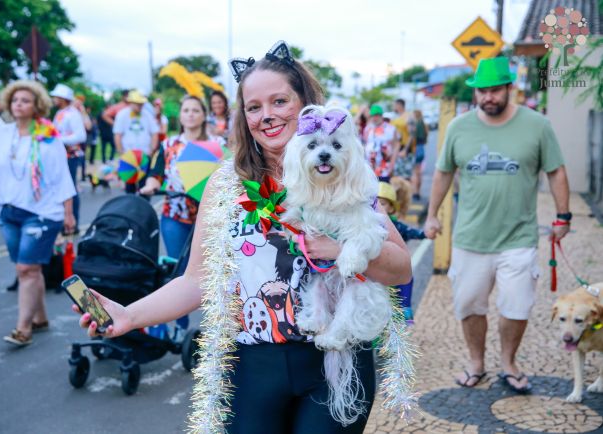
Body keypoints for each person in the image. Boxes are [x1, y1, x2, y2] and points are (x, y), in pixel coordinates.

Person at [75, 41, 411, 433]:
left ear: (305, 103)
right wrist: (129, 316)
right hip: (251, 366)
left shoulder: (342, 173)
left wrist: (341, 250)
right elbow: (196, 280)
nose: (266, 116)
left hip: (335, 360)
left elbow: (401, 268)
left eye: (280, 101)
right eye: (254, 107)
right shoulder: (224, 185)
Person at [424, 57, 571, 392]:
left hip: (518, 238)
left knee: (516, 307)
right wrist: (432, 214)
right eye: (482, 92)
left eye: (494, 90)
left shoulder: (537, 125)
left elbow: (556, 170)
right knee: (469, 305)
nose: (488, 97)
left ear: (509, 88)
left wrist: (563, 215)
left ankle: (508, 362)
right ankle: (477, 362)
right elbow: (443, 172)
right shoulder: (459, 128)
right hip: (470, 238)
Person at [0, 80, 76, 346]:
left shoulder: (48, 135)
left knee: (27, 268)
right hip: (9, 211)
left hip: (42, 212)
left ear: (37, 105)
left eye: (25, 100)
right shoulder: (4, 134)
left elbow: (62, 177)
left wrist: (68, 212)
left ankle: (23, 328)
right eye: (15, 100)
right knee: (28, 269)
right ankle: (41, 318)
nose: (19, 104)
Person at [140, 95, 223, 341]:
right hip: (174, 215)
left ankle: (221, 326)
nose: (190, 114)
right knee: (178, 270)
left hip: (209, 217)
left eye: (195, 110)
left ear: (203, 114)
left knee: (211, 272)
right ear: (180, 115)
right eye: (185, 110)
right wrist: (149, 186)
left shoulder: (217, 144)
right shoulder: (168, 145)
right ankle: (180, 324)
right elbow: (155, 174)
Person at [377, 180, 425, 323]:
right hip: (376, 271)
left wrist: (425, 234)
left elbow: (413, 232)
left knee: (406, 281)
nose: (378, 207)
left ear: (391, 208)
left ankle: (405, 310)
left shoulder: (397, 226)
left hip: (394, 269)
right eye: (375, 203)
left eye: (383, 204)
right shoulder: (366, 223)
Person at [50, 83, 86, 230]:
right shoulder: (60, 113)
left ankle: (74, 221)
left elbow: (80, 136)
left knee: (70, 189)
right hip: (60, 155)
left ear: (62, 98)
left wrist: (58, 140)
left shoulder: (73, 114)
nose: (53, 99)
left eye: (56, 97)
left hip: (70, 156)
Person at [113, 90, 159, 194]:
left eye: (141, 104)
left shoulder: (147, 115)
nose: (140, 106)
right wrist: (121, 153)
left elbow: (154, 133)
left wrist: (152, 150)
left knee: (145, 183)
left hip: (144, 154)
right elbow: (117, 135)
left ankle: (143, 206)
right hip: (129, 154)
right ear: (130, 103)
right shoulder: (122, 115)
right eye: (137, 104)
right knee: (129, 182)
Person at [363, 104, 398, 178]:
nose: (374, 118)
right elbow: (366, 144)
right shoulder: (368, 128)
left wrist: (392, 165)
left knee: (384, 188)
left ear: (381, 115)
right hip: (370, 168)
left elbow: (396, 147)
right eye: (372, 116)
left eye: (376, 115)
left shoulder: (390, 129)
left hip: (384, 168)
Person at [99, 89, 129, 163]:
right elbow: (105, 115)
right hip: (122, 134)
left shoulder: (135, 106)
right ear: (123, 96)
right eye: (127, 96)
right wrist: (115, 124)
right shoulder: (118, 106)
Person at [391, 98, 417, 180]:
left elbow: (412, 134)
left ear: (399, 105)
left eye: (394, 105)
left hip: (405, 149)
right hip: (396, 149)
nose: (393, 107)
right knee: (397, 175)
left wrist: (405, 150)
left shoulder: (408, 116)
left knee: (405, 176)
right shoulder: (396, 117)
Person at [411, 109, 428, 201]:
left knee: (415, 172)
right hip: (421, 148)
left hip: (416, 148)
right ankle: (418, 192)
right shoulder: (423, 124)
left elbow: (413, 137)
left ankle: (415, 193)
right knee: (419, 172)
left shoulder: (417, 124)